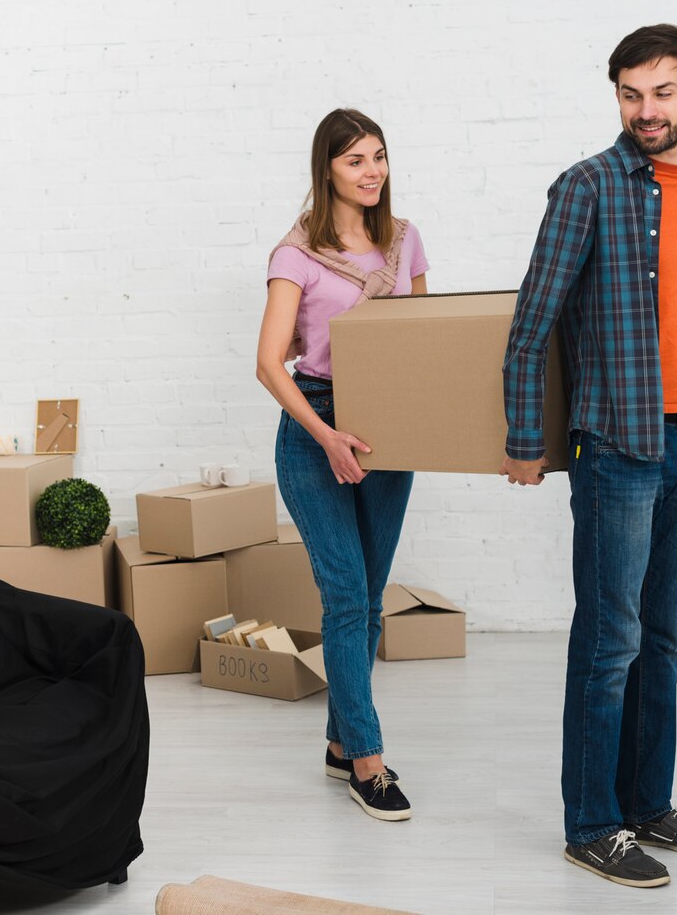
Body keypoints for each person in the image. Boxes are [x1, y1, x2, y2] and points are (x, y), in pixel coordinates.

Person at [501, 25, 677, 887]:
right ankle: (592, 823)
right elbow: (531, 330)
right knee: (611, 643)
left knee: (664, 640)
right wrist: (526, 442)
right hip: (617, 447)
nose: (647, 110)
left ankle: (647, 805)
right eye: (632, 95)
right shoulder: (587, 187)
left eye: (663, 93)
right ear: (617, 99)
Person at [256, 108, 428, 822]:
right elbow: (270, 364)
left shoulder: (405, 242)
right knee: (347, 599)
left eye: (380, 157)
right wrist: (326, 435)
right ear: (326, 168)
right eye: (356, 159)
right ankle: (367, 762)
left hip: (388, 432)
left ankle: (338, 743)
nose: (372, 172)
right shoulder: (295, 254)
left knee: (371, 595)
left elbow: (425, 340)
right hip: (315, 430)